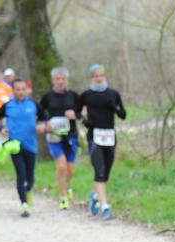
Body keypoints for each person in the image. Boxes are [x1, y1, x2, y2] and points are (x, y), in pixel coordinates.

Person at [80, 64, 126, 219]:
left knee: (106, 172)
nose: (99, 78)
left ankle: (95, 195)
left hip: (110, 136)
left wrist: (114, 107)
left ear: (104, 76)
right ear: (91, 78)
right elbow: (77, 112)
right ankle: (105, 207)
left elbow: (123, 115)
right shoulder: (86, 95)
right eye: (96, 76)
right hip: (94, 136)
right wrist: (84, 121)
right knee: (99, 170)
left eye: (101, 75)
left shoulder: (113, 94)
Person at [0, 77, 46, 217]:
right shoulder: (8, 105)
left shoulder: (33, 105)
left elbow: (43, 117)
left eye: (23, 89)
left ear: (27, 90)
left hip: (31, 145)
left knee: (30, 178)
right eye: (18, 89)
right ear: (13, 90)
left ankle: (28, 191)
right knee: (21, 175)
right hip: (15, 146)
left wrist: (40, 126)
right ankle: (24, 205)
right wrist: (2, 128)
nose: (21, 92)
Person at [40, 67, 81, 209]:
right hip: (54, 137)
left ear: (67, 80)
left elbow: (83, 112)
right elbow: (40, 114)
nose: (60, 81)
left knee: (71, 171)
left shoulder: (74, 96)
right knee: (61, 167)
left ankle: (65, 185)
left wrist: (75, 114)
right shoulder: (47, 97)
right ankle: (63, 197)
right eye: (57, 79)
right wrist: (45, 124)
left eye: (63, 78)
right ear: (53, 81)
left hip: (71, 136)